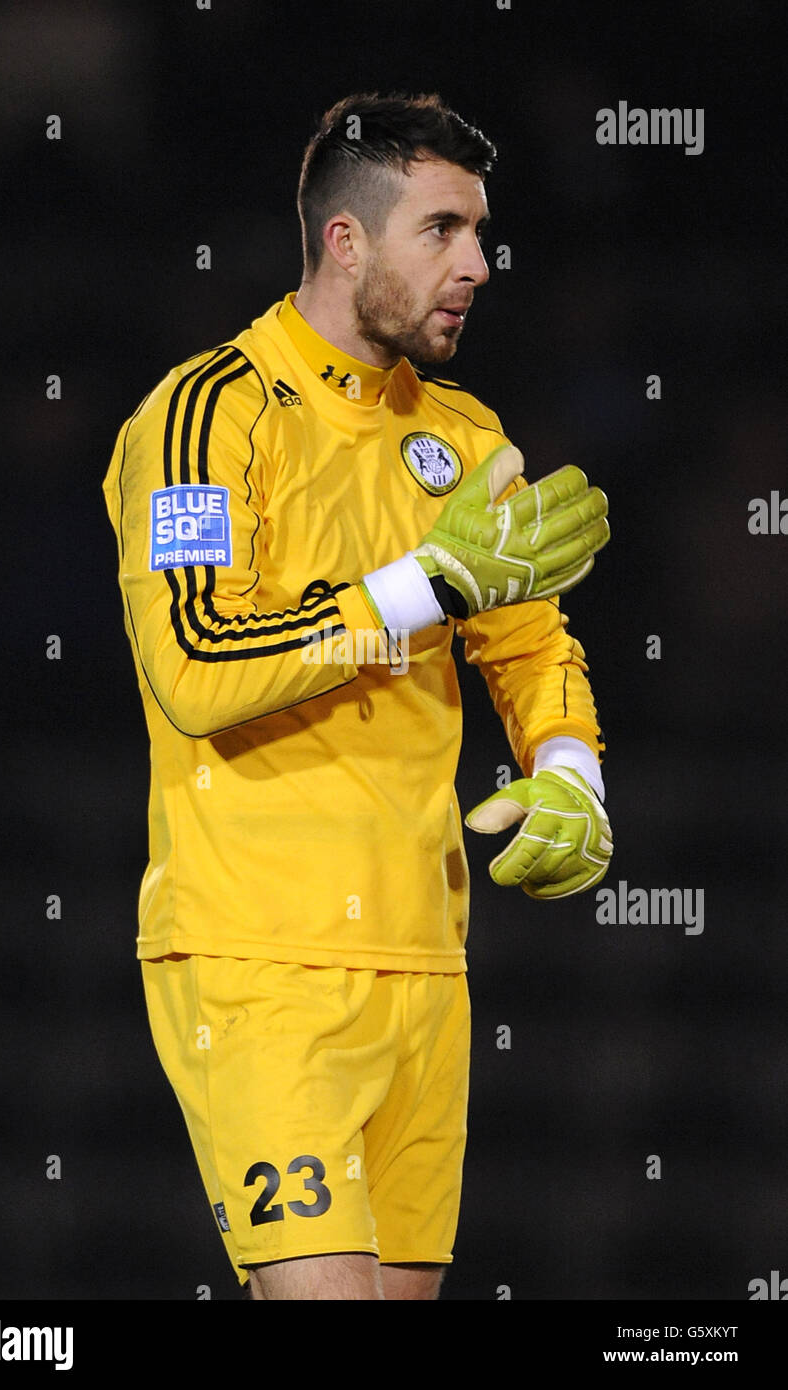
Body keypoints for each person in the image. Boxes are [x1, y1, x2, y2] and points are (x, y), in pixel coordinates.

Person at [102, 91, 612, 1301]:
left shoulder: (464, 433)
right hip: (259, 960)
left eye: (479, 232)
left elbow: (530, 644)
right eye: (439, 229)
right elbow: (193, 663)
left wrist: (569, 772)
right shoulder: (205, 414)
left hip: (426, 968)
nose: (477, 265)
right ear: (344, 242)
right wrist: (423, 580)